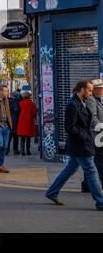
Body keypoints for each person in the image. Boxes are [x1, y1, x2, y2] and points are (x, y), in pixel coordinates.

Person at [46, 80, 103, 211]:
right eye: (89, 90)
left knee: (69, 170)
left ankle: (52, 192)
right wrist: (84, 136)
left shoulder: (82, 102)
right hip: (80, 145)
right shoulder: (73, 105)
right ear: (81, 89)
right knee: (92, 172)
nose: (91, 92)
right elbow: (69, 127)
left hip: (82, 144)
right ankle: (100, 202)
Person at [82, 79, 103, 192]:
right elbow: (92, 118)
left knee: (92, 161)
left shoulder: (97, 99)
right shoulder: (91, 100)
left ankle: (87, 185)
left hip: (98, 135)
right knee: (98, 160)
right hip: (95, 135)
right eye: (101, 88)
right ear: (96, 90)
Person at [17, 91, 37, 156]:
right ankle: (28, 151)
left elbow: (18, 111)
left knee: (22, 137)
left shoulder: (20, 103)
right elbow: (34, 113)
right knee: (28, 137)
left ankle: (22, 151)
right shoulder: (31, 103)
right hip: (29, 120)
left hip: (22, 119)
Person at [6, 91, 21, 155]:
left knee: (8, 136)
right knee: (15, 136)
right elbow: (16, 110)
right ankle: (15, 150)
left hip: (7, 120)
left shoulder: (7, 101)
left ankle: (6, 150)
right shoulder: (16, 101)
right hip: (14, 120)